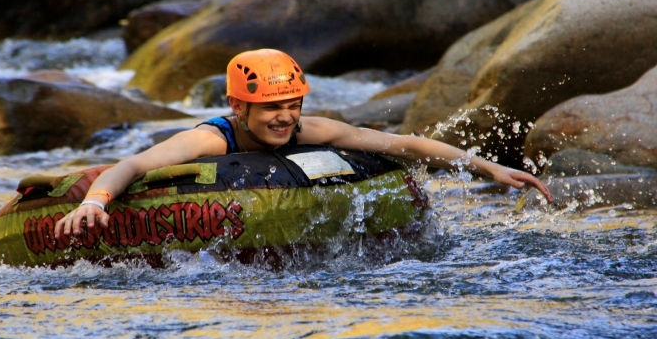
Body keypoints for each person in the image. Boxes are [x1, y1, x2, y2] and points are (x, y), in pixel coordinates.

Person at [55, 48, 552, 238]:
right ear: (239, 107)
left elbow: (405, 144)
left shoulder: (309, 130)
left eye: (292, 104)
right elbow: (133, 165)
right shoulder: (209, 139)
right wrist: (95, 202)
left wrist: (490, 168)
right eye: (271, 107)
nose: (285, 117)